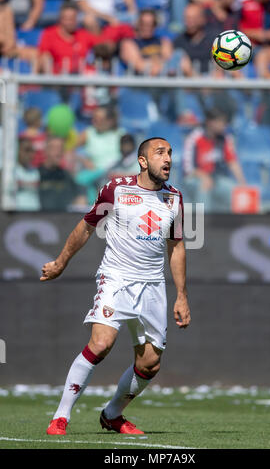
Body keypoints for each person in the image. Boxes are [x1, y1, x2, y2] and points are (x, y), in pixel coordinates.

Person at [41, 137, 191, 436]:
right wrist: (61, 262)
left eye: (170, 153)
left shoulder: (174, 197)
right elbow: (86, 226)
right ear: (143, 161)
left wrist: (181, 296)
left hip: (152, 286)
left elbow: (176, 246)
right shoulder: (117, 189)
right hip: (117, 278)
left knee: (149, 364)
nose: (168, 159)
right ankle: (61, 416)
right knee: (101, 343)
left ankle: (112, 415)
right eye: (160, 153)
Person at [183, 109, 246, 211]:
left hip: (217, 179)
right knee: (203, 188)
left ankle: (235, 225)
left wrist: (242, 184)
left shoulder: (225, 138)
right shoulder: (194, 138)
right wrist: (204, 177)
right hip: (195, 179)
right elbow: (188, 169)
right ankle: (203, 225)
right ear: (210, 122)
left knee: (235, 191)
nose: (224, 125)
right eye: (221, 122)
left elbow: (232, 162)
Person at [38, 1, 98, 74]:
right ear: (60, 19)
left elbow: (102, 47)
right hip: (58, 79)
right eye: (66, 18)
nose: (69, 22)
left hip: (82, 78)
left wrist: (93, 26)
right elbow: (44, 56)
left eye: (72, 19)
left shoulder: (83, 34)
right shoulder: (49, 34)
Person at [120, 9, 174, 76]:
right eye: (144, 24)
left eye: (151, 24)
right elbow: (139, 66)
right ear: (138, 24)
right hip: (139, 83)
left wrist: (148, 63)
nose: (147, 27)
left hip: (163, 82)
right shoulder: (128, 43)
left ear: (155, 25)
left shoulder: (164, 42)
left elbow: (171, 65)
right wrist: (158, 62)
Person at [39, 136, 85, 211]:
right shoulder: (37, 173)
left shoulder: (66, 175)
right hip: (41, 219)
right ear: (46, 151)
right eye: (55, 148)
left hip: (62, 219)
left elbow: (80, 193)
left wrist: (80, 197)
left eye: (61, 148)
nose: (59, 152)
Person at [173, 2, 216, 75]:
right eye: (187, 18)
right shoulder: (178, 41)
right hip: (187, 83)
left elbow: (218, 72)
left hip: (212, 80)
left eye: (193, 18)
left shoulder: (214, 39)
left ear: (203, 19)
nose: (189, 22)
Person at [16, 138, 41, 211]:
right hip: (15, 215)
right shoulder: (9, 171)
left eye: (32, 151)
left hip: (34, 214)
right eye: (27, 150)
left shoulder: (35, 171)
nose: (30, 154)